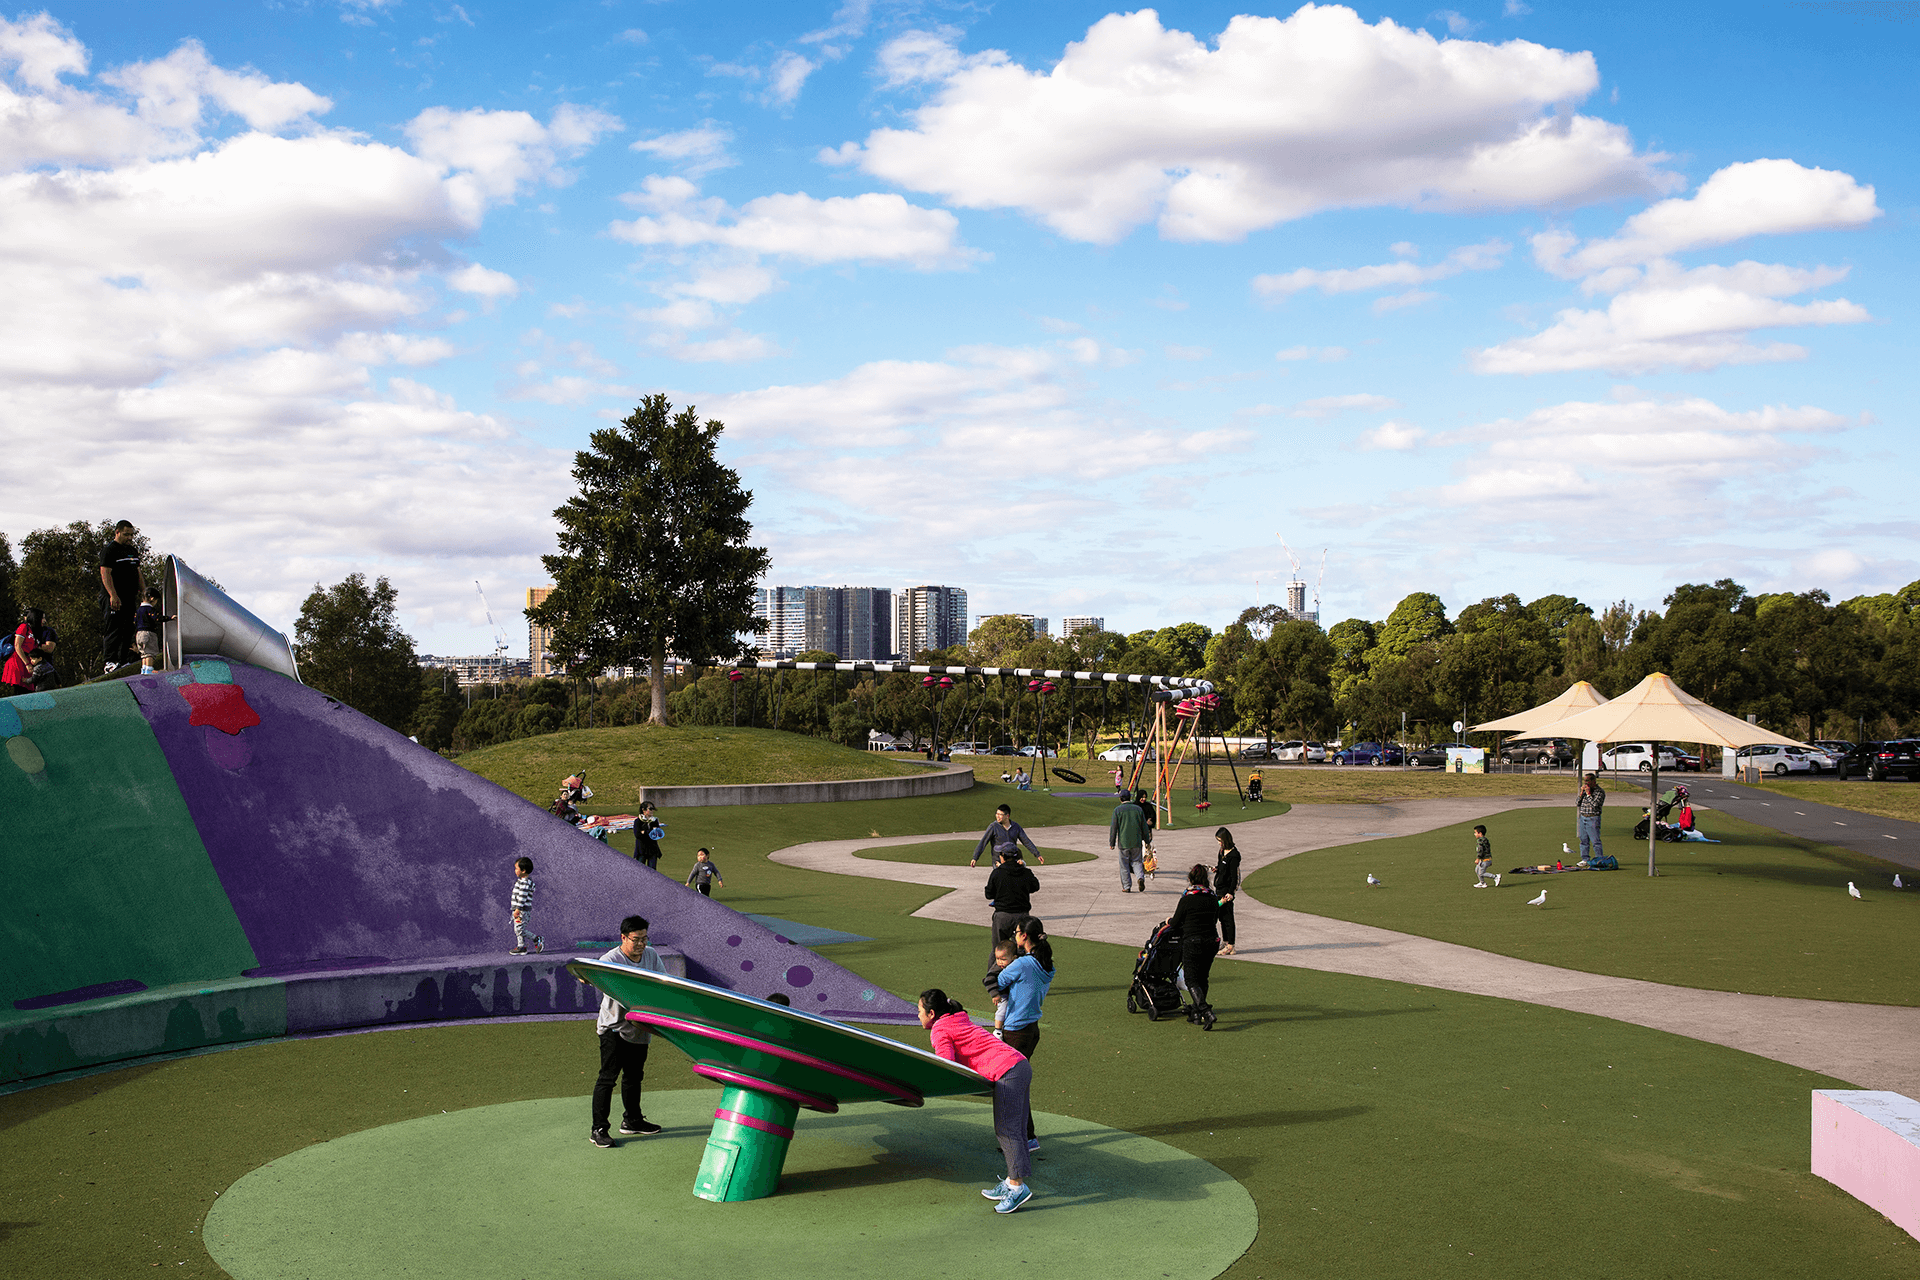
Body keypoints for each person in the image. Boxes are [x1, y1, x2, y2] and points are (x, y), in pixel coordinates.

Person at [917, 988, 1037, 1213]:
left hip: (1007, 1071)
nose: (918, 1016)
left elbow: (947, 1065)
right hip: (1019, 1065)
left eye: (919, 1011)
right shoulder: (957, 1018)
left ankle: (1019, 1188)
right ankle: (1013, 1182)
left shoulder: (940, 1029)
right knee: (1017, 1130)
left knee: (1007, 1131)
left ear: (931, 1013)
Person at [581, 915, 666, 1147]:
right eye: (636, 939)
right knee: (608, 1078)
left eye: (644, 939)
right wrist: (585, 976)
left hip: (640, 1028)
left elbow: (663, 984)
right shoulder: (612, 959)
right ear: (623, 938)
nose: (641, 944)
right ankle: (598, 1129)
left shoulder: (651, 956)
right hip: (614, 1027)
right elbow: (590, 974)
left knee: (634, 1077)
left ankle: (633, 1121)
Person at [998, 917, 1055, 1151]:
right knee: (1018, 1085)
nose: (1015, 935)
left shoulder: (1022, 964)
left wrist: (1005, 963)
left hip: (1015, 1031)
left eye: (1017, 932)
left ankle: (1021, 1138)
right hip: (1032, 1029)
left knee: (1010, 1087)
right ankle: (1027, 1135)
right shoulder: (1046, 965)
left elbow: (1000, 979)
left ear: (1024, 936)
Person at [1165, 864, 1220, 1030]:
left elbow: (1176, 922)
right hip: (1211, 940)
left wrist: (1169, 921)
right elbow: (1215, 919)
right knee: (1203, 977)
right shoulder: (1212, 897)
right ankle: (1196, 1012)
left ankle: (1205, 1011)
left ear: (1191, 879)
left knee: (1191, 978)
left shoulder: (1187, 898)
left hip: (1193, 940)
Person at [97, 520, 143, 675]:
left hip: (130, 597)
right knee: (113, 629)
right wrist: (112, 595)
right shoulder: (109, 550)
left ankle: (122, 661)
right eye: (126, 534)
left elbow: (138, 573)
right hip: (114, 597)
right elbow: (105, 573)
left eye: (131, 535)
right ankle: (109, 662)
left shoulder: (132, 551)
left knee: (128, 629)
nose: (129, 538)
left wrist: (144, 592)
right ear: (117, 532)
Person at [983, 847, 1039, 965]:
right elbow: (1035, 887)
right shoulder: (1025, 872)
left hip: (1002, 916)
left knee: (998, 950)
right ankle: (1020, 979)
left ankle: (993, 980)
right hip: (1022, 916)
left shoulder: (997, 873)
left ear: (1002, 857)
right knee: (1021, 949)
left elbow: (988, 894)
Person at [970, 803, 1044, 867]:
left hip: (1013, 860)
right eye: (997, 814)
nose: (997, 816)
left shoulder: (1016, 827)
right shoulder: (993, 827)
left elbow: (1026, 841)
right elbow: (983, 842)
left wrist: (1037, 854)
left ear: (1007, 816)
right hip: (998, 862)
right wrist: (975, 857)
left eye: (1000, 814)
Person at [1110, 791, 1148, 892]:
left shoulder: (1117, 810)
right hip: (1136, 841)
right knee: (1137, 862)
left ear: (1120, 798)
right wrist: (1147, 840)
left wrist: (1112, 843)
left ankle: (1126, 886)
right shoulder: (1138, 809)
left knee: (1124, 865)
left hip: (1124, 842)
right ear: (1130, 797)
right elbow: (1144, 826)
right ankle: (1140, 877)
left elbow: (1114, 828)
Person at [1213, 827, 1242, 955]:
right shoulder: (1222, 851)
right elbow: (1221, 866)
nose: (1219, 843)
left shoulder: (1234, 855)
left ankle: (1231, 945)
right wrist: (1216, 869)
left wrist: (1231, 892)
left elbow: (1234, 876)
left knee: (1228, 918)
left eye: (1220, 840)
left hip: (1226, 891)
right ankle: (1225, 942)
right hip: (1219, 888)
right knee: (1222, 918)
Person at [509, 856, 544, 954]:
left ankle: (536, 939)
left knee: (519, 929)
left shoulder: (525, 883)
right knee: (518, 928)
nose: (515, 870)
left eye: (516, 868)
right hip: (520, 910)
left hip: (522, 910)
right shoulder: (522, 881)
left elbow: (522, 897)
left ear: (523, 870)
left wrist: (517, 909)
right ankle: (521, 947)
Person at [3, 609, 41, 695]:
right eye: (42, 618)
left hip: (27, 663)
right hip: (18, 662)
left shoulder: (34, 630)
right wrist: (27, 664)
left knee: (27, 692)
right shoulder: (23, 627)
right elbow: (17, 646)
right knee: (20, 692)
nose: (44, 621)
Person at [983, 940, 1017, 1035]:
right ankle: (997, 1030)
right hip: (1002, 994)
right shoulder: (997, 968)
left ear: (1014, 958)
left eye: (1003, 959)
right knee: (1003, 1008)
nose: (1000, 962)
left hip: (1012, 994)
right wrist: (995, 994)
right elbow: (988, 980)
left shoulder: (1017, 964)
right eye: (997, 959)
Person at [132, 589, 163, 674]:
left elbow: (134, 622)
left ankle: (144, 670)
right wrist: (169, 618)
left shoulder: (138, 610)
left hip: (139, 634)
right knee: (150, 653)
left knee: (144, 654)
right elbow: (157, 618)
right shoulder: (149, 609)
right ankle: (149, 670)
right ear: (152, 599)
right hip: (148, 633)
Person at [1577, 773, 1605, 864]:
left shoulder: (1599, 792)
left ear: (1593, 781)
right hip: (1583, 817)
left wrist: (1589, 794)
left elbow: (1595, 805)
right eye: (1585, 781)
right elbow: (1577, 803)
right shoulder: (1584, 792)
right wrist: (1582, 793)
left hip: (1593, 818)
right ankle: (1585, 859)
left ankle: (1599, 858)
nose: (1586, 783)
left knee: (1595, 840)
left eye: (1588, 780)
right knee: (1583, 840)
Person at [634, 801, 665, 870]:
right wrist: (651, 832)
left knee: (652, 871)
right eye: (650, 809)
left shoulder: (654, 821)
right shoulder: (638, 821)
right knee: (640, 870)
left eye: (652, 809)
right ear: (643, 810)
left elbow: (658, 834)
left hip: (653, 849)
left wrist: (645, 832)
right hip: (641, 850)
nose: (652, 811)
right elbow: (637, 835)